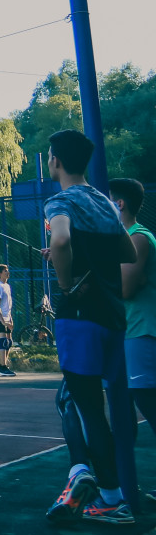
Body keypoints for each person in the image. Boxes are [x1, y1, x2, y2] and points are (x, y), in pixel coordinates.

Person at [41, 130, 136, 525]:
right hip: (114, 314)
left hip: (79, 316)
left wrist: (65, 281)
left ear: (56, 161)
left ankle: (109, 496)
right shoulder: (103, 201)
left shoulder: (60, 201)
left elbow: (61, 240)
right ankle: (103, 482)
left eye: (49, 157)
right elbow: (127, 251)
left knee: (82, 406)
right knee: (110, 404)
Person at [112, 178, 156, 504]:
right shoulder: (121, 242)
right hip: (125, 334)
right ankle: (129, 489)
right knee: (123, 417)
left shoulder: (139, 239)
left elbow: (125, 289)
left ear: (120, 204)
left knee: (151, 408)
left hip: (142, 333)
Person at [0, 264, 16, 377]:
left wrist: (10, 319)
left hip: (7, 317)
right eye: (5, 271)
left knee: (9, 342)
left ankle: (4, 364)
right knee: (3, 341)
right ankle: (2, 367)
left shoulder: (7, 286)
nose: (7, 272)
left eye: (7, 270)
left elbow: (8, 305)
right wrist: (2, 321)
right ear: (0, 273)